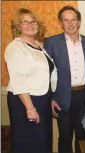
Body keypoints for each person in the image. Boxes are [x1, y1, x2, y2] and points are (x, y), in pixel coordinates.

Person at [4, 8, 57, 153]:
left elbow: (45, 75)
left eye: (33, 21)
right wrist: (30, 109)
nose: (30, 24)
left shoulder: (38, 46)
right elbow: (18, 79)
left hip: (42, 99)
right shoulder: (15, 47)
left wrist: (50, 98)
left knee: (43, 142)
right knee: (29, 143)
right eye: (24, 22)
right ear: (18, 26)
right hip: (25, 101)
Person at [44, 6, 85, 153]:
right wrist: (51, 98)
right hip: (62, 97)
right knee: (65, 136)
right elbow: (46, 73)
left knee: (83, 136)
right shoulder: (51, 42)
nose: (70, 23)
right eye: (66, 20)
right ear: (61, 23)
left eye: (73, 19)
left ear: (79, 22)